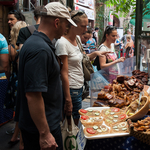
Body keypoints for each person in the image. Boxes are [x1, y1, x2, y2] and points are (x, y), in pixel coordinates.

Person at [16, 2, 76, 150]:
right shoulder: (39, 49)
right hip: (41, 129)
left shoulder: (40, 44)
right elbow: (33, 95)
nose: (66, 28)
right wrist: (45, 133)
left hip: (45, 124)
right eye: (66, 24)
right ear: (57, 23)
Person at [55, 10, 111, 126]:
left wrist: (95, 54)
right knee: (72, 122)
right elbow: (63, 73)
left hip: (80, 85)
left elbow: (82, 59)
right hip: (70, 88)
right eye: (83, 26)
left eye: (87, 26)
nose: (85, 29)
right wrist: (68, 98)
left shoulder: (77, 39)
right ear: (72, 24)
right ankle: (70, 143)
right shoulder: (62, 43)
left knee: (76, 119)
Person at [7, 21, 27, 149]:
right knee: (23, 111)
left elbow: (8, 67)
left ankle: (15, 137)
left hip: (13, 80)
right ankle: (21, 142)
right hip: (21, 80)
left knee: (18, 110)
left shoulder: (10, 47)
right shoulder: (22, 48)